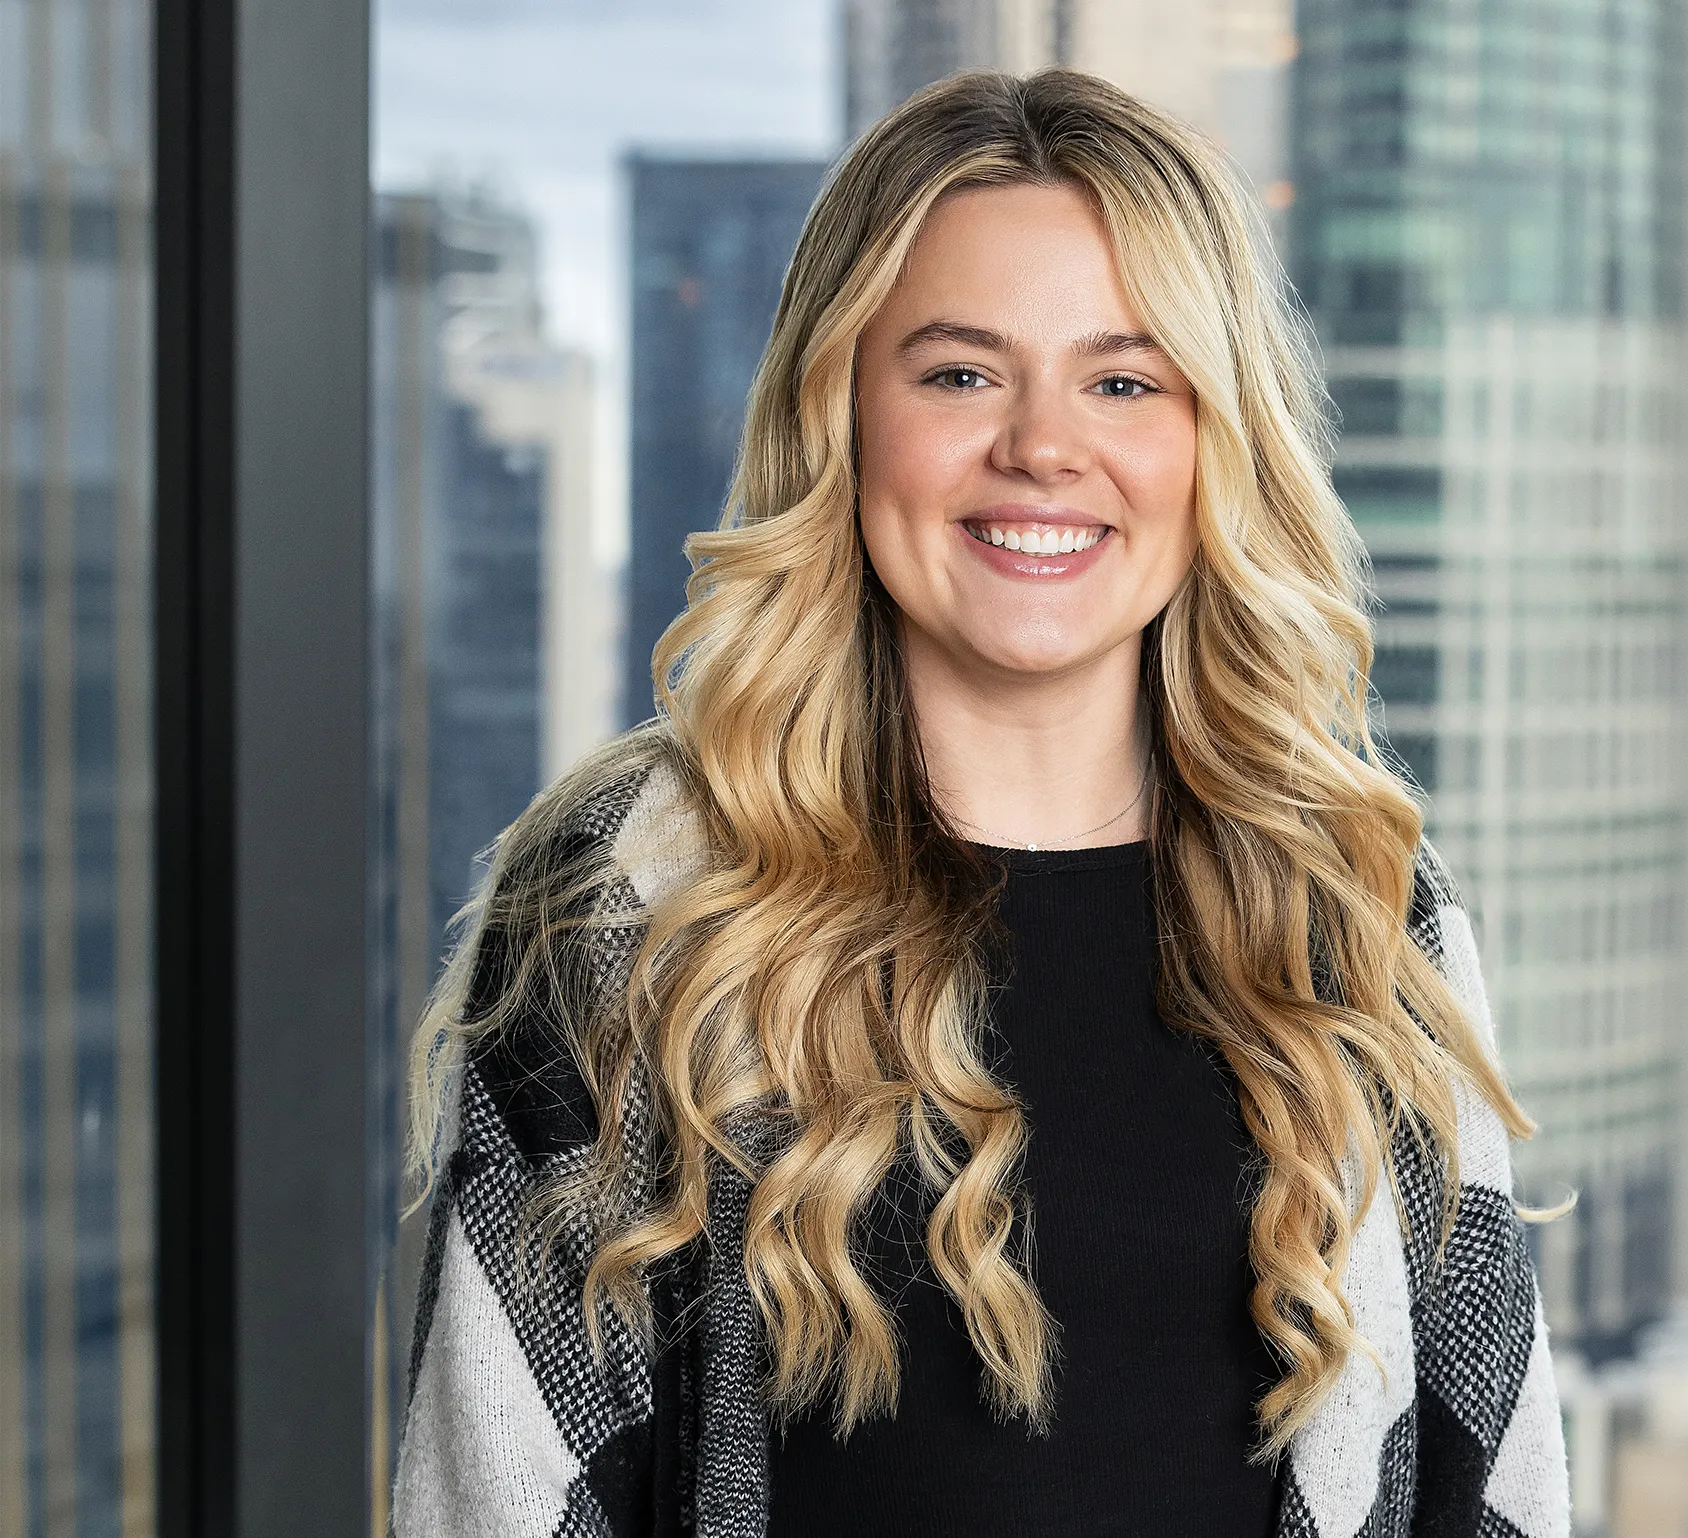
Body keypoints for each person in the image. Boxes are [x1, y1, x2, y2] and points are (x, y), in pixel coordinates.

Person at [391, 67, 1569, 1538]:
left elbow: (1497, 1485)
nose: (1041, 447)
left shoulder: (1355, 906)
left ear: (1215, 441)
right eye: (958, 373)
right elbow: (493, 1492)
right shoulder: (636, 897)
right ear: (841, 412)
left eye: (1124, 380)